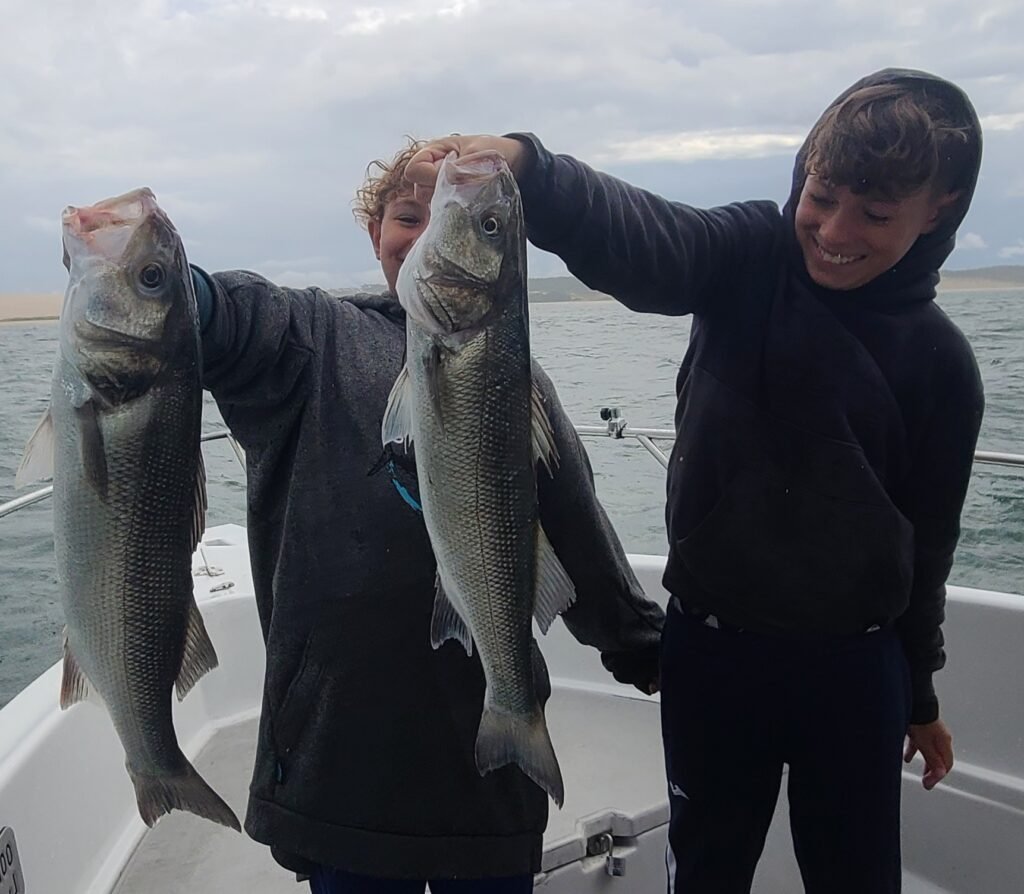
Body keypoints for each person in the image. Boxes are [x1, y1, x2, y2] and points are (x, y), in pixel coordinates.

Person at [405, 68, 985, 893]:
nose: (833, 230)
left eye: (877, 215)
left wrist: (919, 694)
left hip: (858, 672)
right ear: (803, 171)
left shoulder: (944, 365)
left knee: (857, 874)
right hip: (713, 653)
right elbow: (652, 241)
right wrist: (535, 170)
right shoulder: (750, 256)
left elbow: (929, 551)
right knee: (705, 869)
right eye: (821, 196)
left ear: (943, 209)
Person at [189, 139, 665, 893]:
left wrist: (644, 649)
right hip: (343, 758)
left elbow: (575, 520)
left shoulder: (516, 371)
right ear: (375, 235)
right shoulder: (308, 340)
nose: (422, 233)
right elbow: (235, 323)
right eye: (409, 215)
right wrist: (166, 290)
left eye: (473, 225)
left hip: (482, 776)